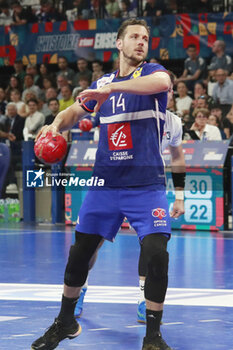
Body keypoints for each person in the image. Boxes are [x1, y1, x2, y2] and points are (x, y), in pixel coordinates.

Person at [31, 18, 172, 350]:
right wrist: (54, 125)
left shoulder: (151, 74)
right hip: (105, 186)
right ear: (119, 44)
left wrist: (111, 90)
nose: (141, 41)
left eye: (146, 38)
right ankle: (65, 321)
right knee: (79, 255)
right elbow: (73, 112)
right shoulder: (102, 83)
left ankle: (153, 336)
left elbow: (162, 81)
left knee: (156, 255)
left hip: (146, 185)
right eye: (134, 37)